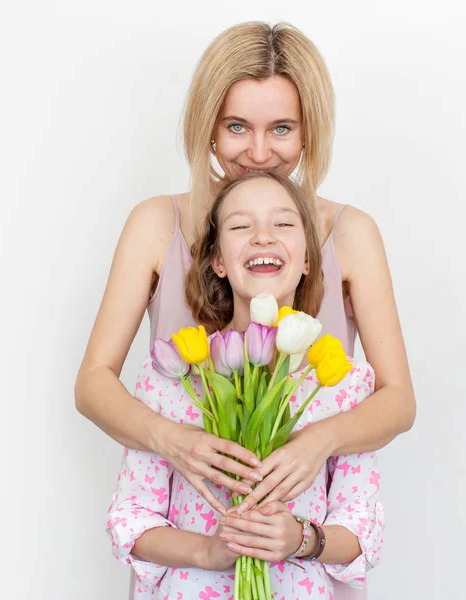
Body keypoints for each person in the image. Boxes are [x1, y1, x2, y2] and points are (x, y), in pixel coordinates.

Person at [75, 21, 414, 600]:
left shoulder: (349, 234)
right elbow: (93, 384)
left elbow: (397, 400)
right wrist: (169, 437)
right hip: (189, 568)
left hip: (304, 568)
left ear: (310, 132)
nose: (259, 153)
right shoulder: (157, 224)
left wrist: (319, 442)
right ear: (207, 127)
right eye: (236, 127)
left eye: (281, 128)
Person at [107, 171, 384, 600]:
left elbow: (361, 525)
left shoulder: (341, 383)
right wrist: (208, 551)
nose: (263, 237)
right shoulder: (172, 376)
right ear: (217, 259)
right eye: (240, 226)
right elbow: (132, 518)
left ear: (308, 258)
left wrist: (300, 539)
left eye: (284, 224)